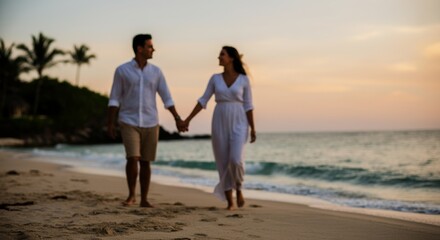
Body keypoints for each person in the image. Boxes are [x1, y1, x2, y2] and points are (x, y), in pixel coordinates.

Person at [107, 34, 186, 208]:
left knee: (146, 161)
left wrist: (177, 118)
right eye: (150, 46)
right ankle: (131, 196)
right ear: (139, 48)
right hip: (128, 120)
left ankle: (144, 199)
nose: (153, 49)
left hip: (151, 121)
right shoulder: (122, 70)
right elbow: (114, 98)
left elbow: (167, 98)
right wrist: (110, 123)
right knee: (133, 158)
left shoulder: (156, 72)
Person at [183, 46, 256, 210]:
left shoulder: (244, 79)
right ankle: (230, 202)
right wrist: (187, 119)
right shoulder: (215, 78)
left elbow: (249, 105)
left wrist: (253, 128)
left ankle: (239, 187)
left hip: (239, 120)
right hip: (220, 120)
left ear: (231, 58)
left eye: (222, 54)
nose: (219, 57)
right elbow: (203, 100)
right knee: (223, 161)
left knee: (236, 160)